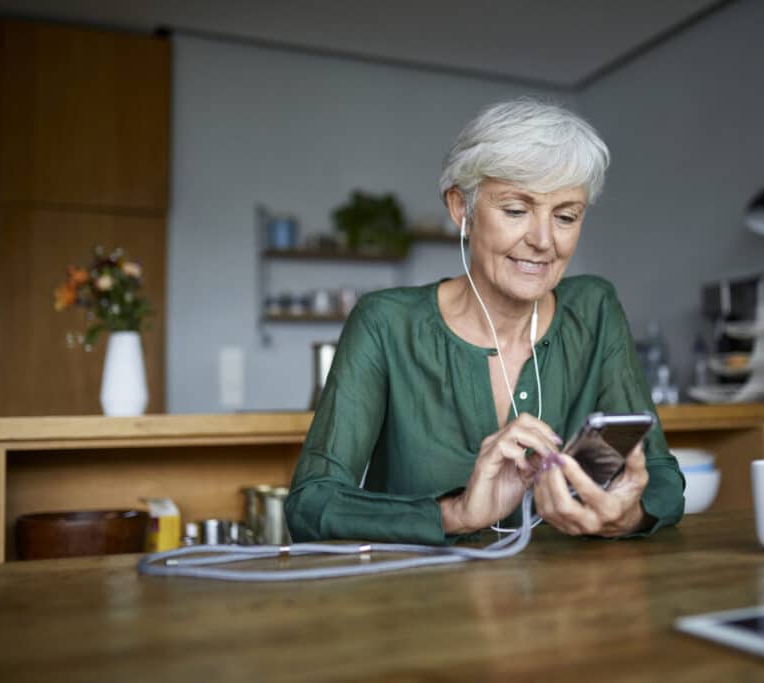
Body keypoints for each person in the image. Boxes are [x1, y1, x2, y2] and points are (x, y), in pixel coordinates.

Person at [285, 97, 684, 544]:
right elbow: (311, 504)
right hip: (414, 605)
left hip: (565, 603)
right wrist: (456, 513)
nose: (543, 241)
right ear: (462, 209)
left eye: (566, 216)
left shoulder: (594, 309)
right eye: (516, 211)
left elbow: (664, 480)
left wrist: (624, 516)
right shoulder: (385, 324)